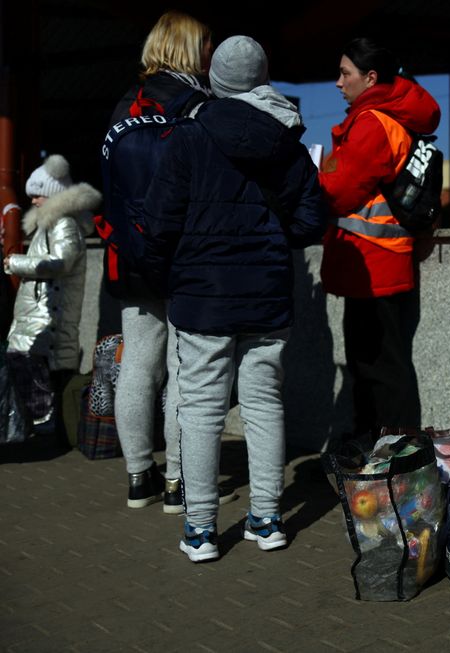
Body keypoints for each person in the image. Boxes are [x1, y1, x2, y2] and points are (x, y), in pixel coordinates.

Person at [140, 35, 327, 562]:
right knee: (265, 403)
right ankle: (267, 519)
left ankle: (200, 530)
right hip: (267, 293)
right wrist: (271, 241)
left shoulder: (188, 138)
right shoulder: (287, 141)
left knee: (200, 408)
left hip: (202, 296)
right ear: (263, 77)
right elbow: (312, 220)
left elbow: (159, 224)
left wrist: (169, 275)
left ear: (215, 80)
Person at [105, 10, 223, 513]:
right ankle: (178, 480)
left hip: (131, 259)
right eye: (205, 44)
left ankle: (137, 476)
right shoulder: (202, 106)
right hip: (188, 258)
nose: (211, 54)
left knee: (137, 365)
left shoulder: (123, 109)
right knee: (183, 372)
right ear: (189, 50)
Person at [317, 37, 440, 438]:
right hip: (385, 261)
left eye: (345, 73)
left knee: (378, 369)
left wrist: (316, 170)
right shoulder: (392, 117)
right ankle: (384, 457)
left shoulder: (373, 123)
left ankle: (389, 460)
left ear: (370, 78)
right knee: (382, 365)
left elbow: (339, 190)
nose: (338, 82)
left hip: (373, 264)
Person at [4, 154, 100, 448]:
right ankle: (44, 431)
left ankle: (45, 435)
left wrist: (16, 262)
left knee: (37, 376)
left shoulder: (63, 224)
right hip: (40, 314)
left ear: (53, 196)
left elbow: (60, 262)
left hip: (48, 318)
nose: (32, 201)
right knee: (35, 374)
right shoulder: (54, 223)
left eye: (38, 195)